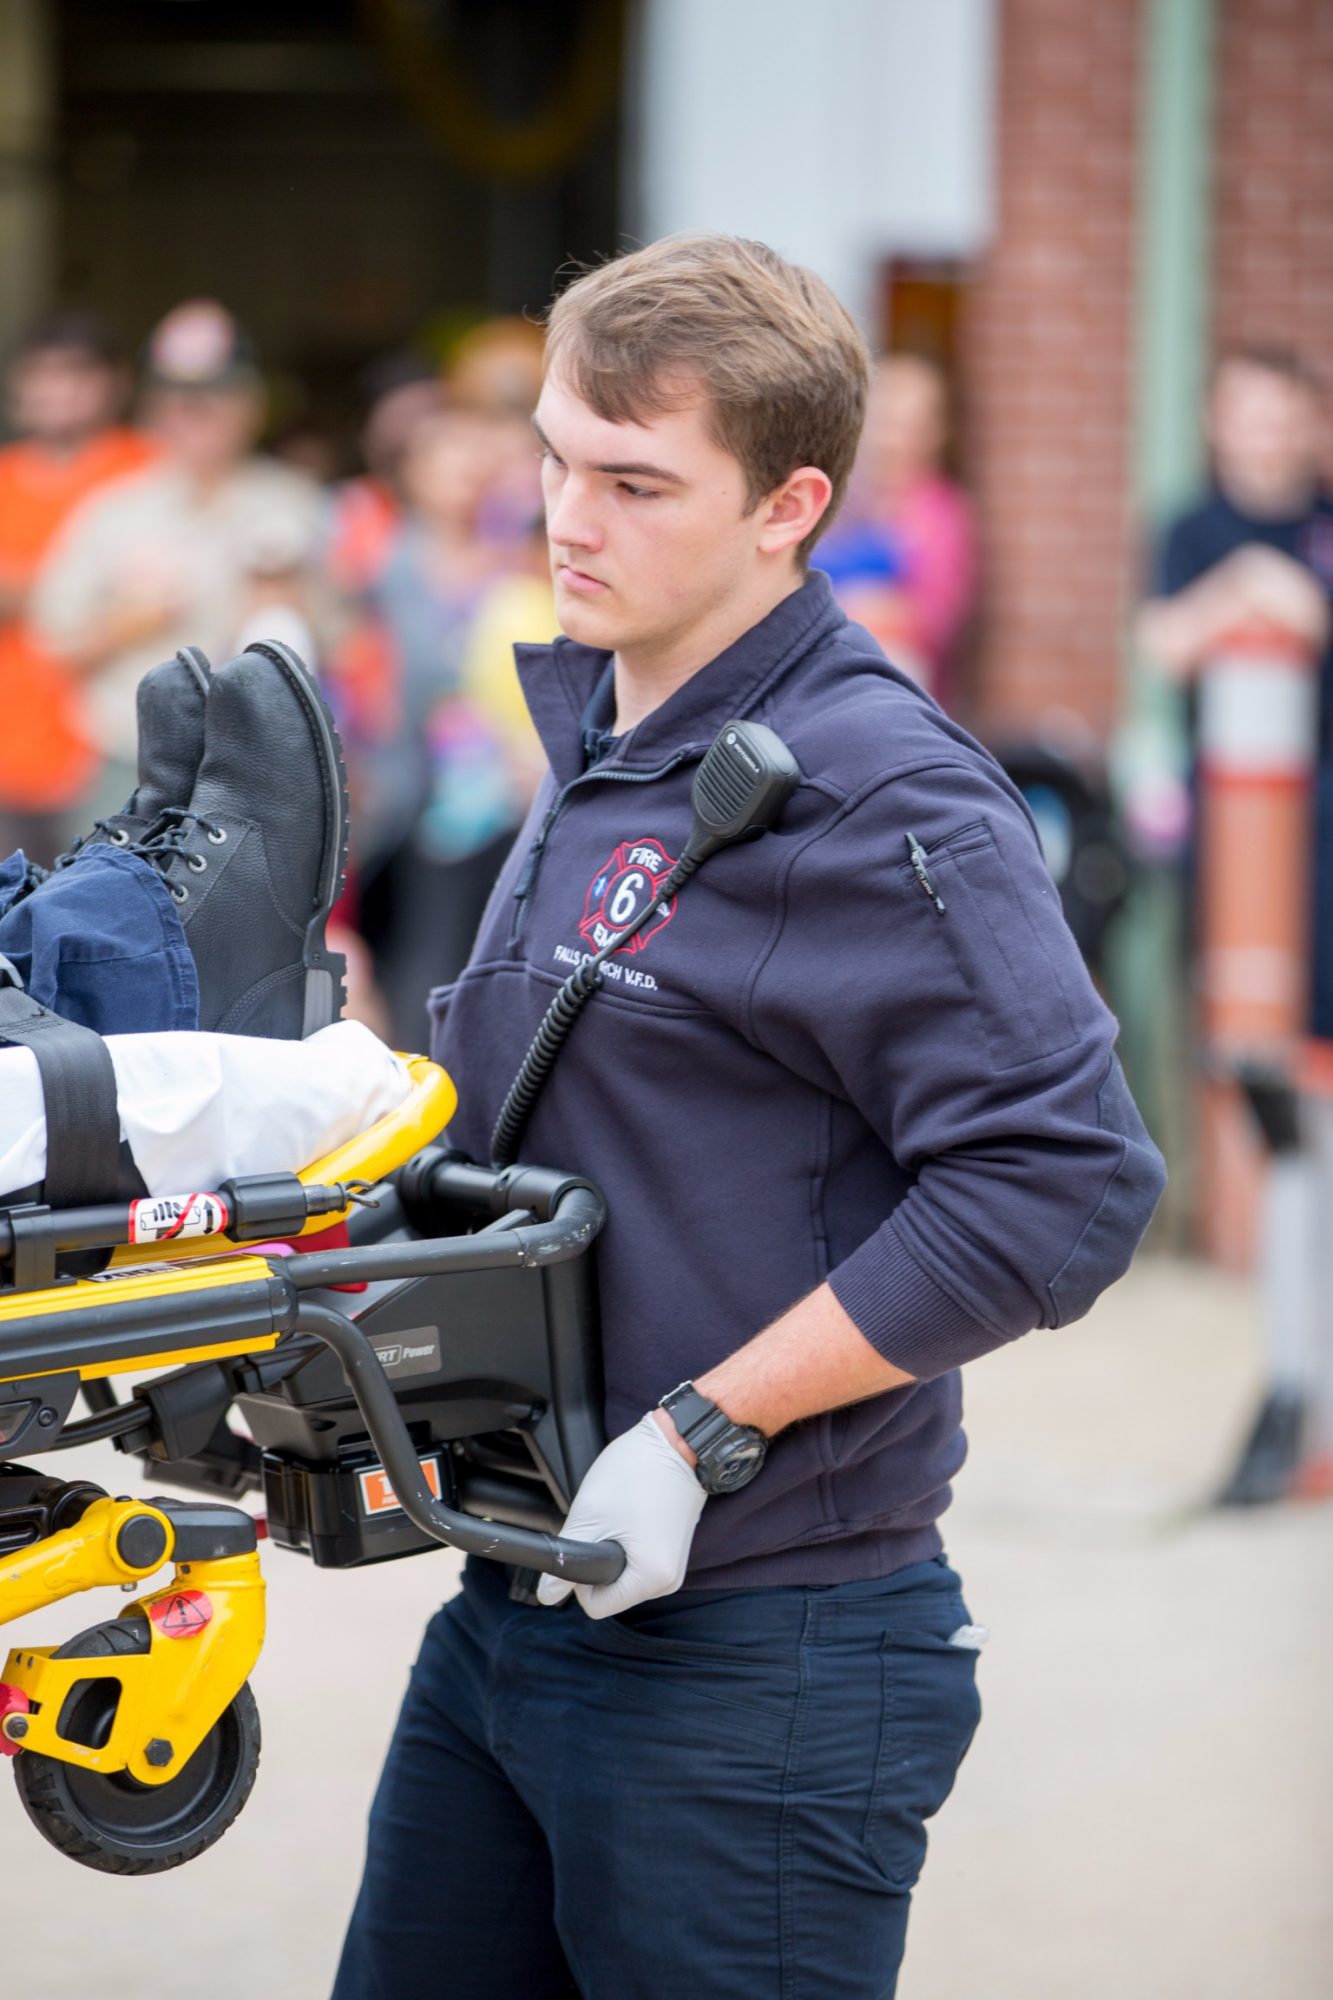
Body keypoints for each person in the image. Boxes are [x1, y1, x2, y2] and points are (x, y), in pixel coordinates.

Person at [331, 234, 1165, 2000]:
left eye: (635, 483)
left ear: (790, 507)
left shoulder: (882, 792)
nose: (568, 517)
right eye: (556, 457)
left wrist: (707, 1427)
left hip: (762, 1655)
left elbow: (1064, 1183)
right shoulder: (608, 721)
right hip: (512, 1604)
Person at [1138, 344, 1333, 1503]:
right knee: (1254, 1067)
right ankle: (1282, 1341)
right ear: (1218, 423)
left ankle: (1301, 1361)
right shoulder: (1192, 528)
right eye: (1245, 414)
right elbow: (1165, 639)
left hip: (1318, 843)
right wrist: (1249, 591)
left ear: (1311, 423)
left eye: (1283, 414)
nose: (1264, 434)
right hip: (1231, 845)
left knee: (1305, 1077)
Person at [29, 300, 327, 826]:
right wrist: (124, 623)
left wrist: (289, 613)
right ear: (152, 408)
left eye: (216, 397)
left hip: (260, 771)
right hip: (129, 765)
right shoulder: (114, 508)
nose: (196, 414)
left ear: (253, 405)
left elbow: (350, 642)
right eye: (179, 400)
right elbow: (54, 641)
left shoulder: (297, 502)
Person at [0, 312, 158, 864]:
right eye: (42, 372)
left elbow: (164, 589)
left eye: (76, 372)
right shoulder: (5, 476)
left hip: (110, 752)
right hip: (10, 752)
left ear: (117, 383)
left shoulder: (148, 471)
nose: (57, 389)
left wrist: (31, 589)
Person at [815, 352, 978, 711]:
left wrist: (852, 607)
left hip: (888, 692)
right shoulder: (840, 498)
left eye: (908, 425)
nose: (890, 438)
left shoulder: (940, 514)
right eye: (884, 420)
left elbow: (935, 618)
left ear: (936, 432)